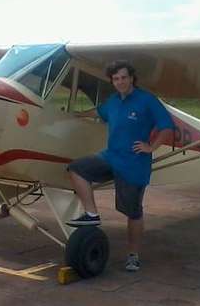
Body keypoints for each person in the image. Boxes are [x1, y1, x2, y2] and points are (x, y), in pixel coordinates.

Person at [66, 60, 174, 272]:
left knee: (132, 212)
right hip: (111, 157)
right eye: (116, 79)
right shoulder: (114, 101)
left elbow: (167, 127)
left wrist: (151, 147)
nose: (120, 82)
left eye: (124, 77)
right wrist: (76, 114)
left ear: (132, 78)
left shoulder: (147, 100)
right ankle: (92, 214)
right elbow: (99, 112)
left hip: (134, 165)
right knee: (77, 168)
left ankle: (133, 255)